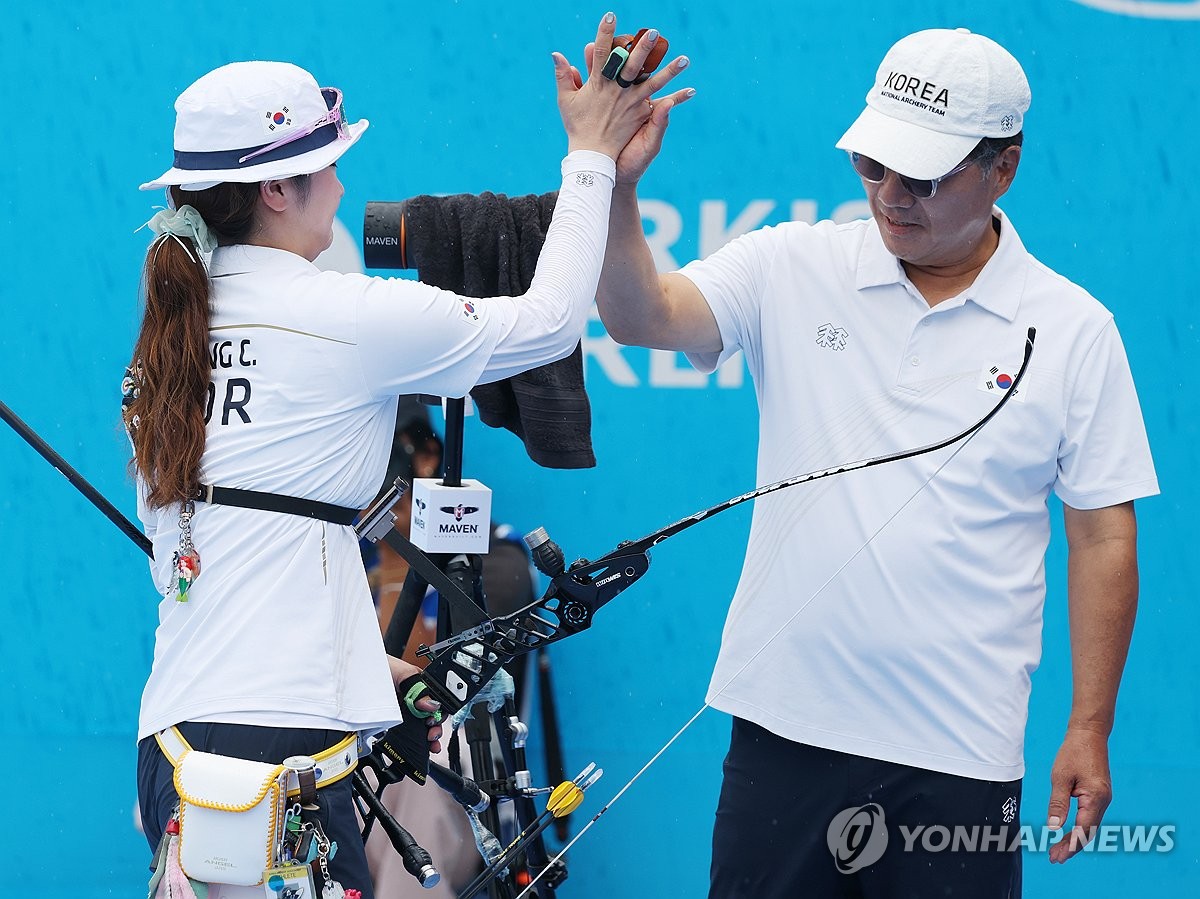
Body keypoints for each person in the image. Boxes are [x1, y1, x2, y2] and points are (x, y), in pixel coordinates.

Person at [127, 15, 693, 898]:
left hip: (176, 746)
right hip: (283, 754)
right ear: (279, 190)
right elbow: (546, 323)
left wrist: (357, 661)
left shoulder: (163, 347)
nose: (342, 181)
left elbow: (209, 560)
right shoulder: (343, 314)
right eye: (328, 162)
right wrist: (588, 154)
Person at [595, 27, 1157, 898]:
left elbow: (1101, 540)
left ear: (1002, 169)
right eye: (872, 165)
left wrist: (1089, 725)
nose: (890, 195)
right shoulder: (791, 261)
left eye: (923, 176)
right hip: (782, 737)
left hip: (958, 756)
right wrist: (614, 186)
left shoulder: (1075, 328)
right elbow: (642, 318)